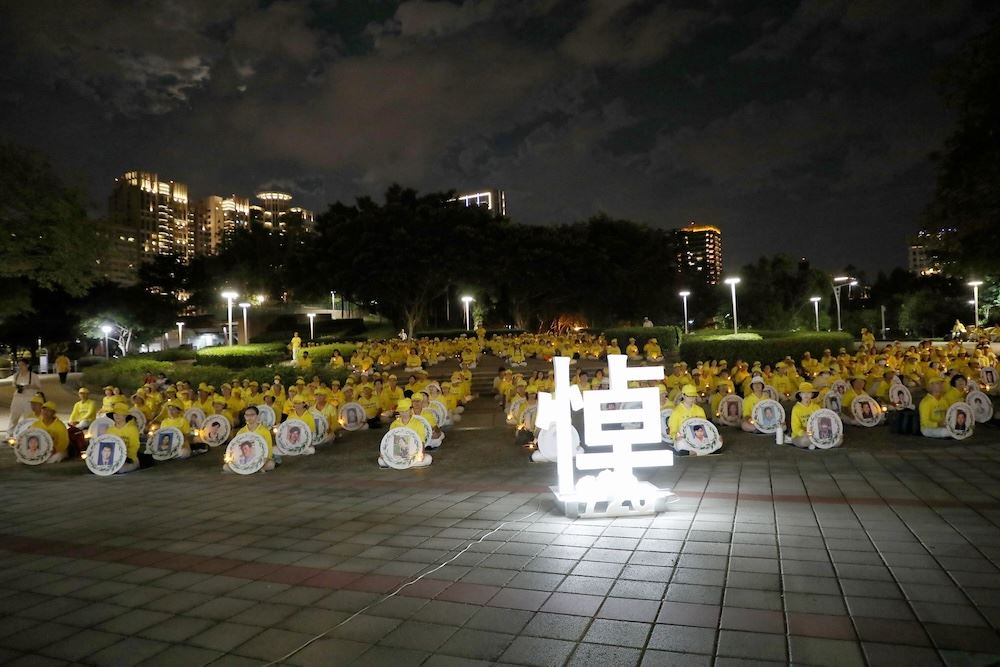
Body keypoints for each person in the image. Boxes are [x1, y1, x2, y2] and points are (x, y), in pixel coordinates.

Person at [381, 398, 431, 468]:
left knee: (428, 459)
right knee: (381, 461)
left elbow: (421, 441)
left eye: (406, 411)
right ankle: (404, 464)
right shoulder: (394, 424)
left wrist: (421, 453)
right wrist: (383, 452)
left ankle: (400, 465)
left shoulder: (418, 423)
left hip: (413, 453)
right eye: (402, 411)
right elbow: (390, 440)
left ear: (410, 410)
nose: (404, 413)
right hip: (398, 453)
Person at [6, 358, 41, 435]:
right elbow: (14, 385)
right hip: (17, 398)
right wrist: (18, 386)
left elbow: (38, 386)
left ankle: (28, 433)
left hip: (29, 398)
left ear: (27, 365)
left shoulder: (33, 376)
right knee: (14, 416)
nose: (20, 367)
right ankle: (10, 433)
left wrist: (29, 386)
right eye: (19, 365)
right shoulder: (16, 375)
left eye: (22, 365)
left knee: (28, 417)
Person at [668, 385, 707, 451]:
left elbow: (705, 427)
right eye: (689, 396)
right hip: (683, 439)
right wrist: (676, 436)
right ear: (683, 395)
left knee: (718, 442)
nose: (692, 399)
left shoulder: (700, 410)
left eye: (694, 396)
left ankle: (695, 451)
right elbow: (673, 430)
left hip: (698, 438)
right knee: (681, 444)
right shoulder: (676, 411)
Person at [106, 404, 141, 473]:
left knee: (120, 470)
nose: (117, 416)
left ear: (126, 416)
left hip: (130, 460)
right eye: (115, 413)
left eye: (120, 413)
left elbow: (134, 446)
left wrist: (125, 457)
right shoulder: (109, 430)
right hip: (112, 460)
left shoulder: (132, 429)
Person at [788, 382, 821, 449]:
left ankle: (814, 443)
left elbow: (821, 422)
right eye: (803, 393)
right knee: (804, 440)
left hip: (815, 433)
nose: (806, 395)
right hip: (801, 436)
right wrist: (807, 433)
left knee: (838, 440)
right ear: (800, 394)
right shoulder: (796, 409)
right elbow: (795, 429)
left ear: (812, 394)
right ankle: (815, 443)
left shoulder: (817, 407)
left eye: (809, 392)